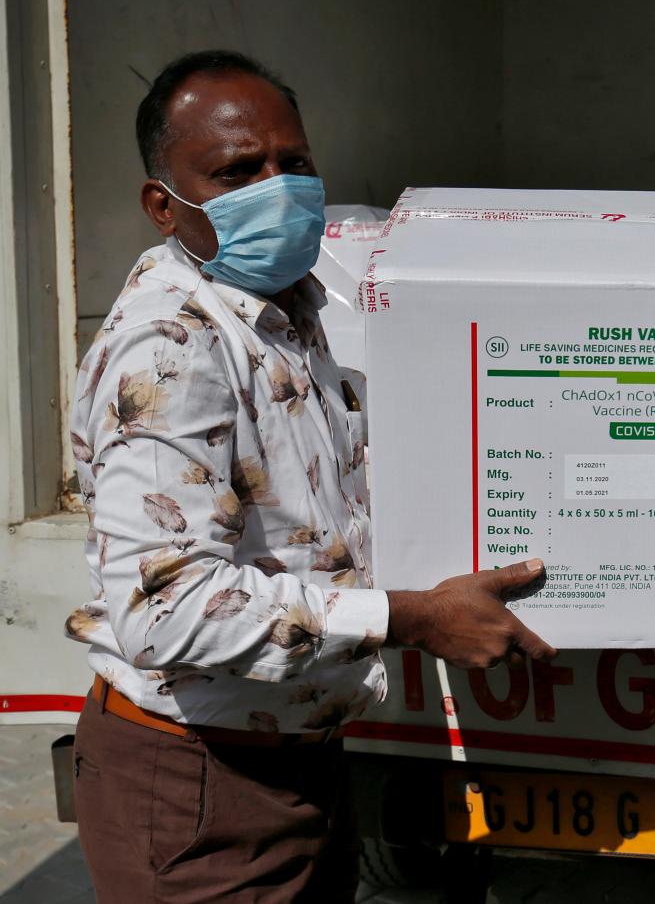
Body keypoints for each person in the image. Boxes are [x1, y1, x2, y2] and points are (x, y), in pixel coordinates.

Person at [65, 50, 554, 903]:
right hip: (201, 782)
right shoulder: (174, 350)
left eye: (294, 163)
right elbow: (165, 609)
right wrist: (411, 617)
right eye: (237, 172)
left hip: (297, 757)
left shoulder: (289, 306)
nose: (278, 188)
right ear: (162, 206)